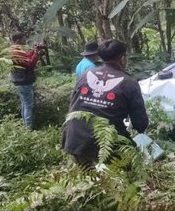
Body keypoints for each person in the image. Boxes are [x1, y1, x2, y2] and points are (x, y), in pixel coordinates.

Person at [62, 39, 149, 167]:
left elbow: (73, 106)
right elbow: (140, 124)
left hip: (75, 138)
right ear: (122, 58)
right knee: (130, 169)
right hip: (107, 141)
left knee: (85, 179)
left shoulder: (85, 75)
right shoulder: (129, 83)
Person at [10, 31, 44, 129]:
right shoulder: (16, 52)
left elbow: (27, 58)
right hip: (23, 81)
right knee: (28, 105)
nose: (25, 40)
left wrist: (34, 50)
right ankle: (29, 128)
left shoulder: (16, 50)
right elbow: (30, 64)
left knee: (24, 104)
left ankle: (26, 125)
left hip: (21, 81)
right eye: (24, 38)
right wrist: (37, 53)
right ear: (18, 40)